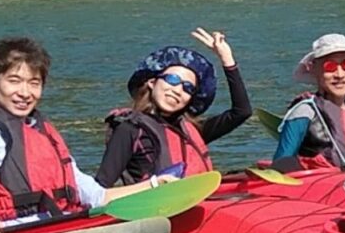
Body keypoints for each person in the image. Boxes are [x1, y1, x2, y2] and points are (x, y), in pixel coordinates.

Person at [0, 37, 154, 233]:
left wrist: (154, 186)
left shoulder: (42, 131)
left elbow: (97, 197)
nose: (25, 93)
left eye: (34, 83)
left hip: (56, 232)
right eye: (14, 81)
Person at [96, 28, 252, 185]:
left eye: (188, 88)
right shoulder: (129, 129)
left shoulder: (191, 130)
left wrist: (227, 59)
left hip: (196, 204)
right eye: (172, 79)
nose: (177, 90)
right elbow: (101, 187)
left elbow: (242, 111)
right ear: (152, 82)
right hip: (154, 207)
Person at [272, 32, 345, 172]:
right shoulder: (304, 112)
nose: (340, 74)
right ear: (313, 69)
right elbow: (281, 164)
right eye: (329, 67)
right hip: (331, 187)